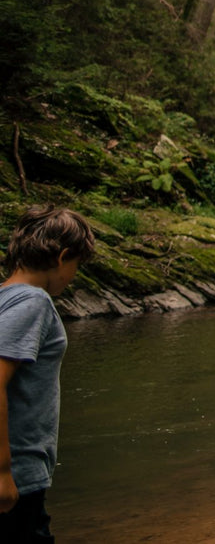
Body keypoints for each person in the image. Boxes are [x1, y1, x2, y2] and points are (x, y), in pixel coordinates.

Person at [0, 205, 95, 542]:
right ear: (62, 256)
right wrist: (3, 473)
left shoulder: (5, 298)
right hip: (19, 476)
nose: (73, 276)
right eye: (76, 266)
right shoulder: (33, 303)